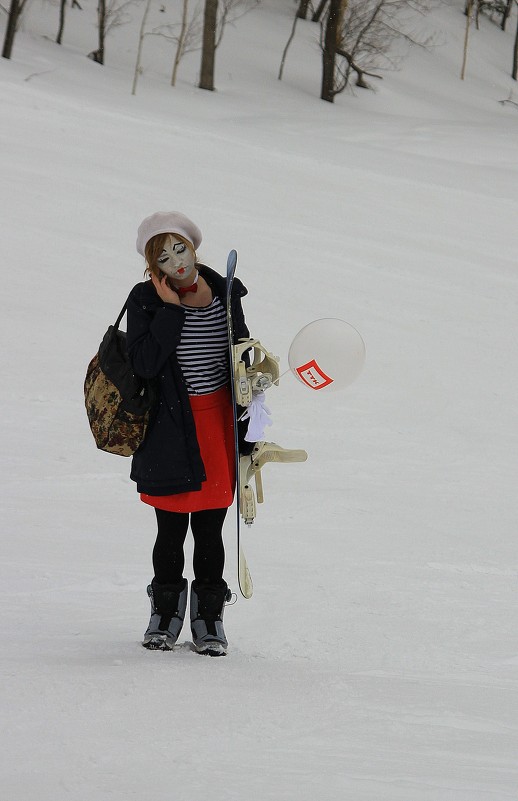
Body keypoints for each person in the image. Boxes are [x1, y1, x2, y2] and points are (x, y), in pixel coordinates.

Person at [126, 211, 251, 657]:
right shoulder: (146, 300)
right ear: (153, 265)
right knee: (171, 528)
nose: (176, 261)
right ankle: (164, 615)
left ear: (194, 248)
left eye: (180, 249)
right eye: (163, 256)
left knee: (212, 529)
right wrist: (172, 313)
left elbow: (240, 353)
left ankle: (209, 617)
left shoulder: (223, 291)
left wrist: (254, 382)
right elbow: (143, 363)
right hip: (169, 428)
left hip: (217, 423)